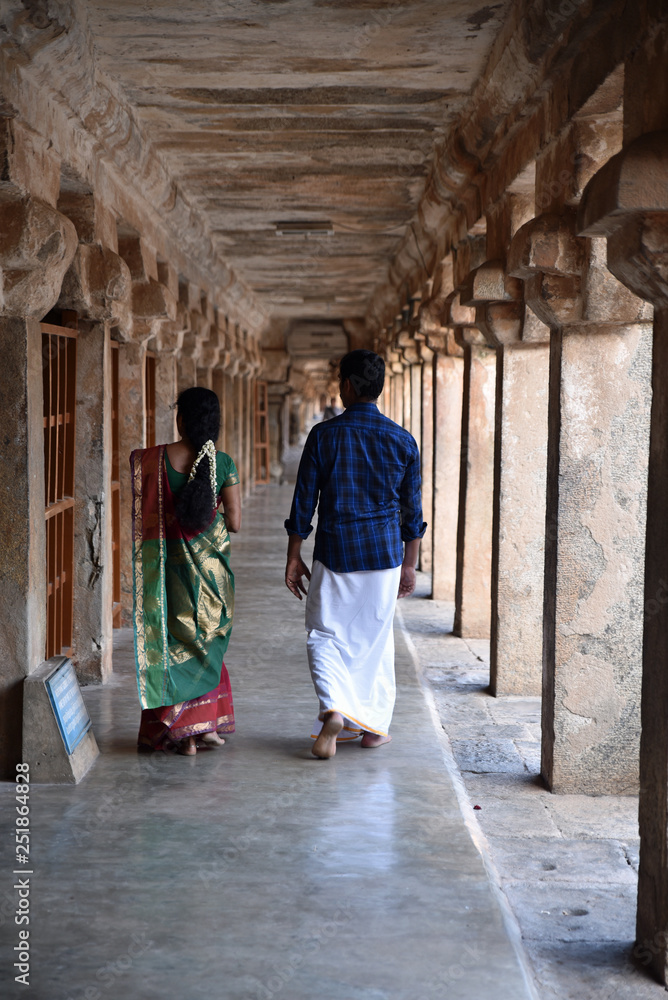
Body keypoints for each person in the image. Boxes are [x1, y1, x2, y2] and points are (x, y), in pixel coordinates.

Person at [284, 349, 426, 759]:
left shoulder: (324, 436)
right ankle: (374, 729)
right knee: (373, 642)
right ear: (378, 389)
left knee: (324, 635)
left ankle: (334, 707)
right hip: (383, 557)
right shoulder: (403, 440)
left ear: (346, 386)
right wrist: (410, 563)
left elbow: (303, 502)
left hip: (334, 552)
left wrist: (295, 555)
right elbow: (412, 512)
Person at [130, 386, 241, 756]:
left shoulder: (152, 460)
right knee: (206, 642)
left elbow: (146, 512)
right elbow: (235, 523)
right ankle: (201, 727)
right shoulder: (223, 463)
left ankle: (181, 731)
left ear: (180, 420)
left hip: (166, 571)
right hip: (211, 575)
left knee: (171, 641)